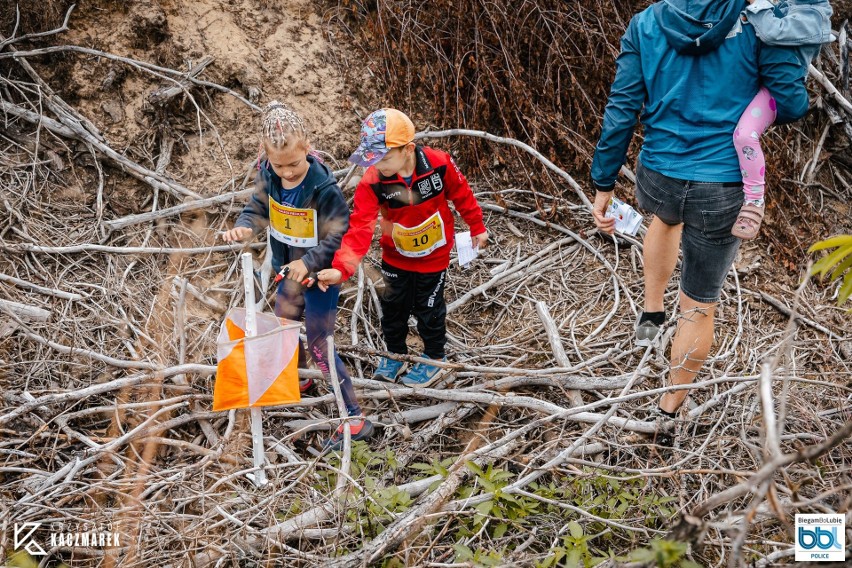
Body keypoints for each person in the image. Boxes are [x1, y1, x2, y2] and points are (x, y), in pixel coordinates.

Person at [589, 0, 809, 423]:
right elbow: (792, 101)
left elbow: (621, 108)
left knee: (664, 219)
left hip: (658, 173)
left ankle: (651, 315)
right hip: (723, 186)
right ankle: (668, 413)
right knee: (698, 306)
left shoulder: (646, 22)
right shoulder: (760, 21)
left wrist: (603, 181)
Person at [222, 101, 373, 451]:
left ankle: (353, 418)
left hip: (318, 275)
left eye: (293, 164)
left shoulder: (323, 187)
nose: (287, 173)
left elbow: (339, 233)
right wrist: (244, 228)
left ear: (307, 147)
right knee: (284, 325)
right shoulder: (268, 172)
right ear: (266, 156)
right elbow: (257, 207)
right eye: (279, 165)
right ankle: (299, 381)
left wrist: (311, 262)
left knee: (321, 343)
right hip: (285, 270)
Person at [315, 108, 488, 387]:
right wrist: (340, 269)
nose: (377, 164)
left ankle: (434, 358)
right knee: (392, 307)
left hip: (435, 257)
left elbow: (462, 193)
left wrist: (476, 226)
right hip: (395, 257)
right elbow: (359, 227)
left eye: (383, 157)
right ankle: (394, 354)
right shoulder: (373, 182)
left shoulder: (439, 163)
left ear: (408, 149)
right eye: (372, 158)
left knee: (429, 309)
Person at [732, 0, 833, 239]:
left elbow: (771, 31)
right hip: (765, 86)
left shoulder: (816, 17)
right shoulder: (789, 5)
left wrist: (758, 4)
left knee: (745, 135)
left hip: (783, 96)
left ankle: (754, 202)